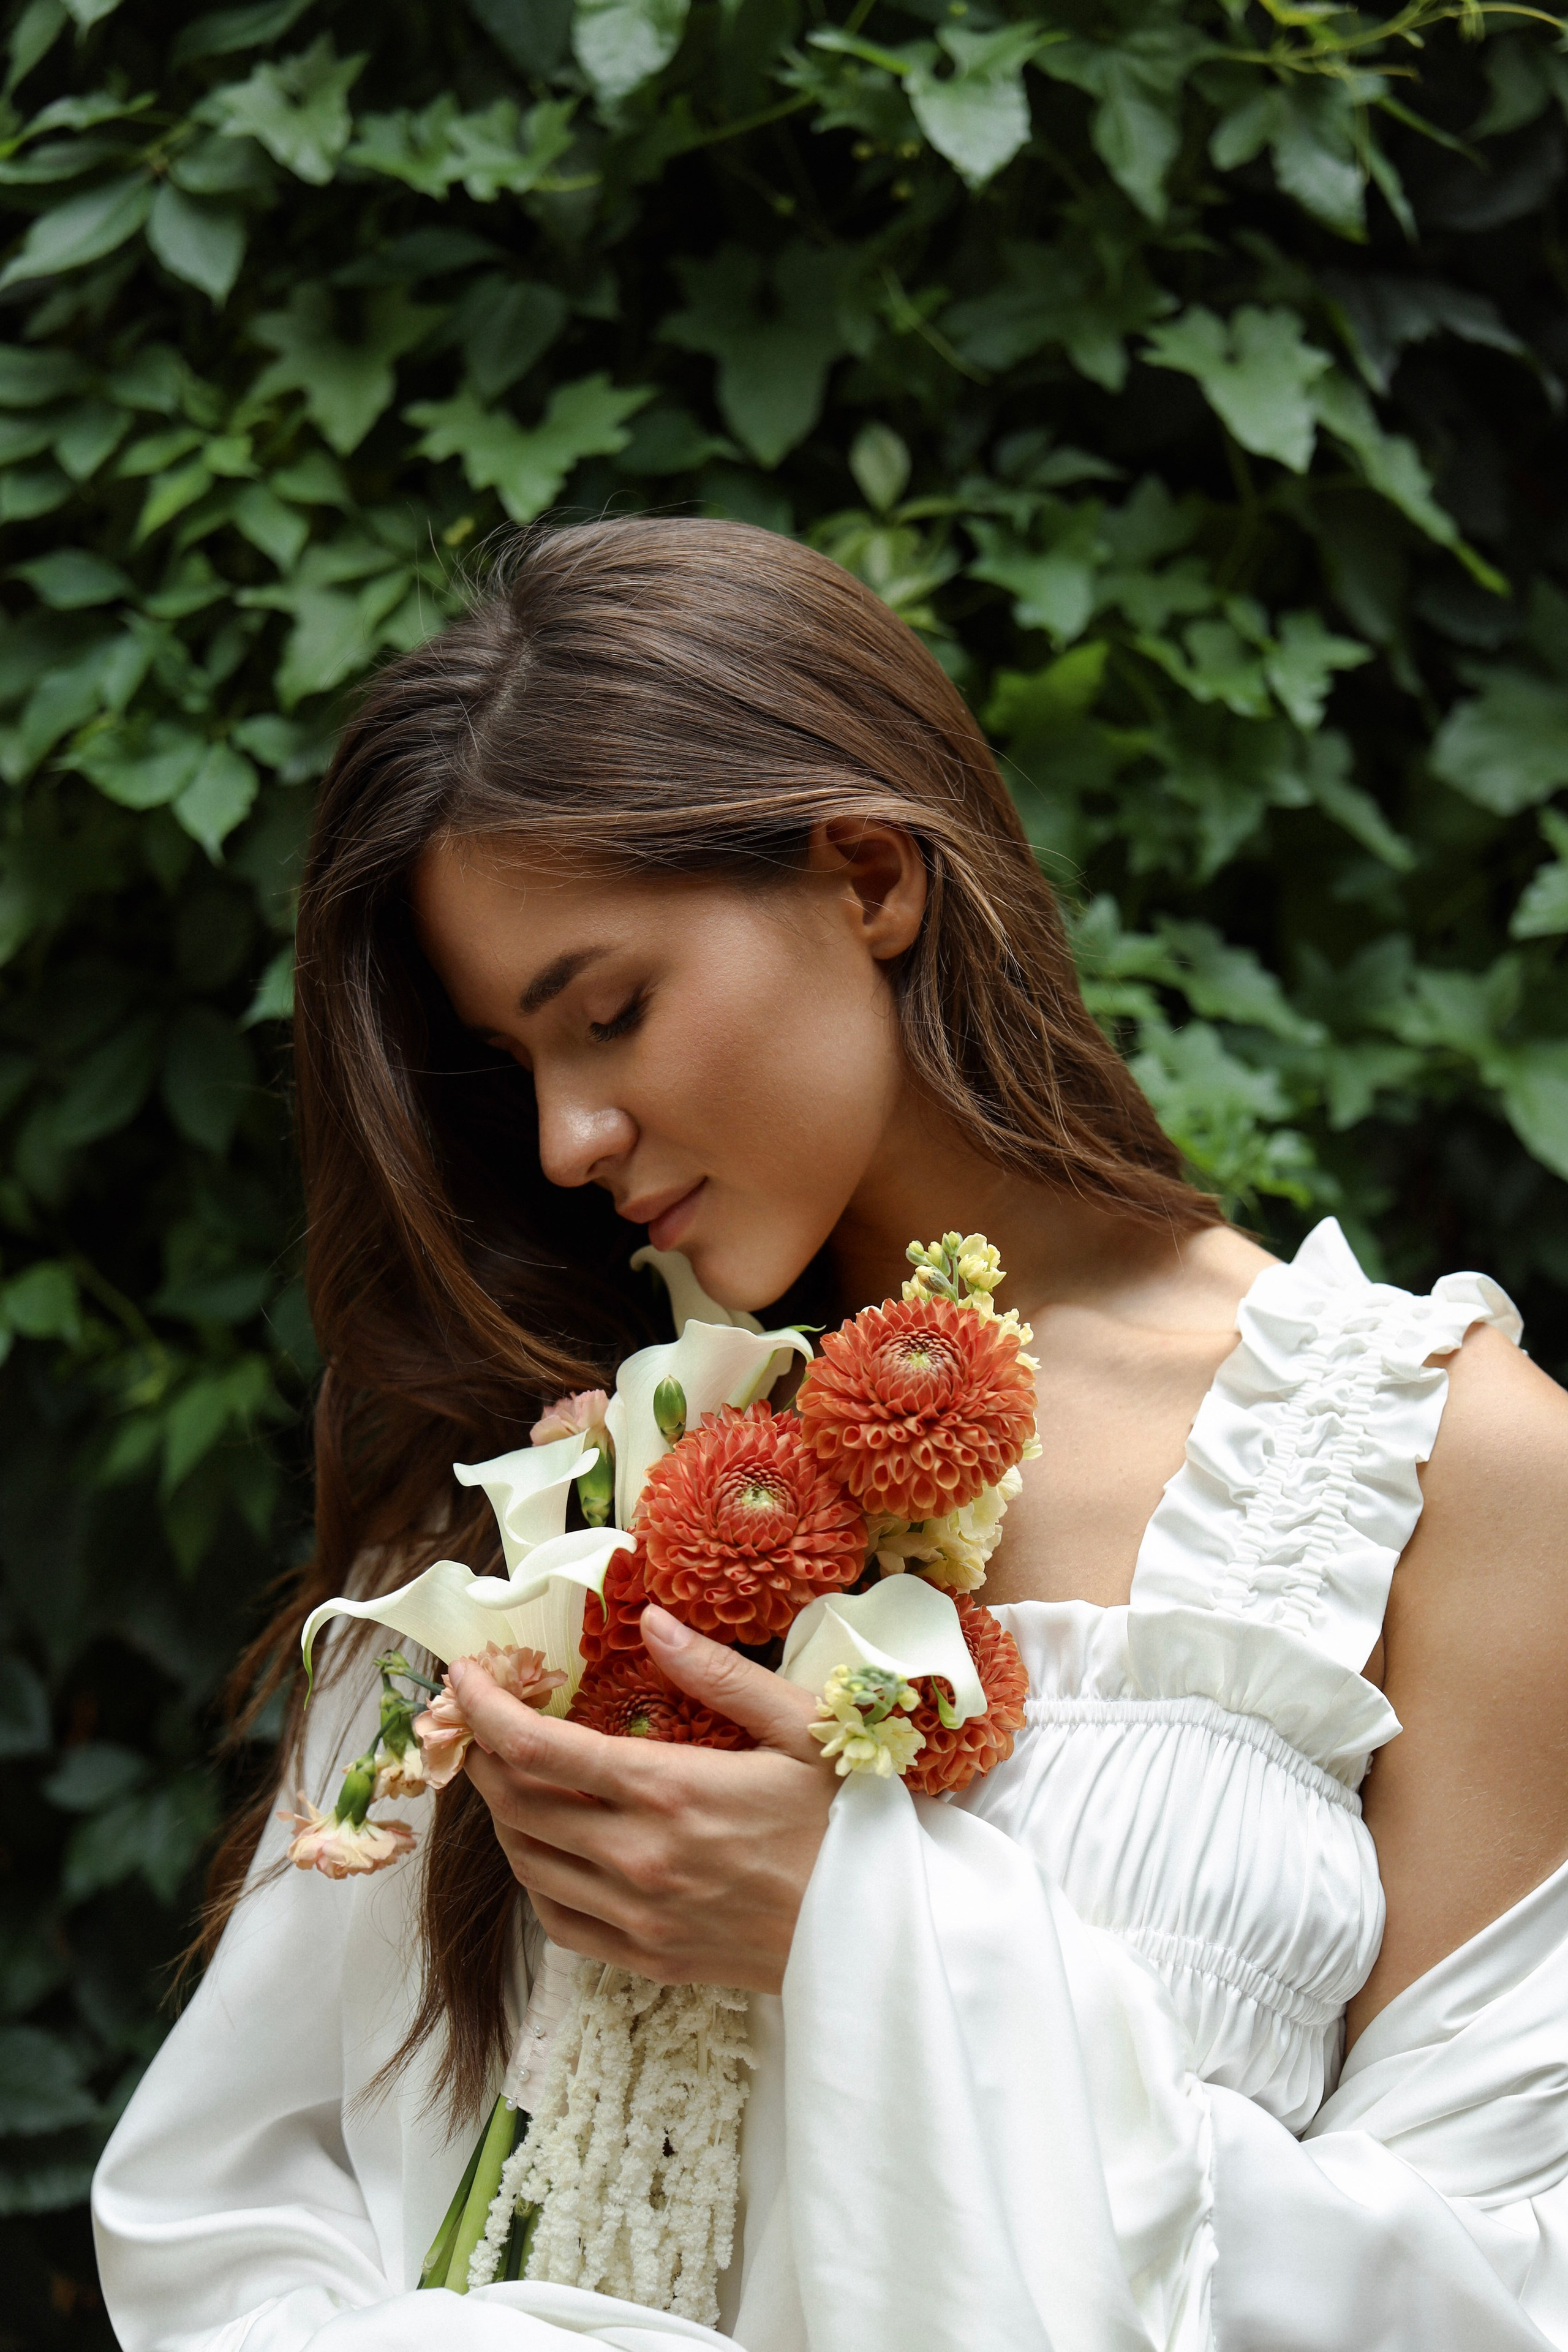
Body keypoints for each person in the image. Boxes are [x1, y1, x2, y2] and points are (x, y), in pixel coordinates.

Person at [92, 518, 1568, 2352]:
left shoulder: (1443, 1474)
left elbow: (1491, 2296)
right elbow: (242, 2199)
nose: (564, 1141)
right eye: (516, 1064)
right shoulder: (550, 1470)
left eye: (612, 1012)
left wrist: (863, 1932)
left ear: (869, 876)